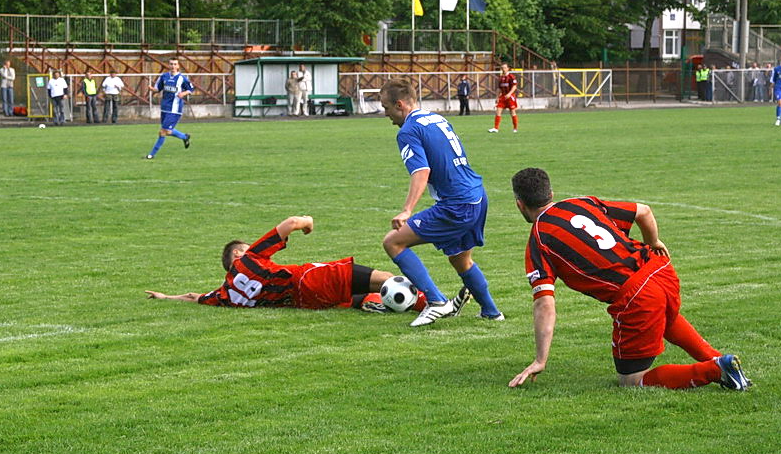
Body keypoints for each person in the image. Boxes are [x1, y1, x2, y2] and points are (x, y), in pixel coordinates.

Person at [507, 167, 752, 391]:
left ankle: (715, 369)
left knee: (632, 380)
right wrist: (653, 242)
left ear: (520, 204)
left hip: (636, 293)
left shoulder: (539, 238)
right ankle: (720, 360)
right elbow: (643, 211)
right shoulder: (582, 202)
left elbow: (544, 303)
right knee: (663, 316)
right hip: (659, 268)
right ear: (551, 193)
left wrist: (540, 360)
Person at [379, 79, 501, 327]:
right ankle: (491, 311)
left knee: (393, 242)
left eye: (386, 108)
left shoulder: (407, 131)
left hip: (457, 204)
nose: (386, 114)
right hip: (477, 195)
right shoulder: (436, 118)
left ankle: (436, 302)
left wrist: (407, 210)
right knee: (460, 259)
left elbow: (421, 171)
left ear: (399, 104)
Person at [144, 215, 424, 313]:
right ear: (238, 257)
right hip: (306, 280)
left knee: (353, 296)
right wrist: (308, 223)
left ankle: (373, 304)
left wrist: (166, 296)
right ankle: (432, 302)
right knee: (385, 277)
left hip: (303, 302)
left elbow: (196, 297)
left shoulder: (226, 293)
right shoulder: (251, 258)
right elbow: (290, 224)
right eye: (243, 248)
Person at [145, 58, 193, 159]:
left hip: (175, 109)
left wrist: (184, 93)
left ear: (178, 66)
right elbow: (158, 88)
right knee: (168, 131)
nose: (173, 66)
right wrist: (152, 89)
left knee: (162, 131)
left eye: (175, 64)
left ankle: (151, 154)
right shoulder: (164, 76)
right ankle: (185, 137)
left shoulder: (182, 78)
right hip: (164, 107)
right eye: (171, 64)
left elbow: (191, 89)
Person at [488, 62, 518, 133]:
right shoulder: (501, 78)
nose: (503, 69)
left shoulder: (511, 77)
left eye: (505, 68)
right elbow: (499, 88)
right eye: (502, 68)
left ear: (508, 68)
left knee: (512, 112)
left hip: (510, 97)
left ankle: (515, 128)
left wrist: (509, 94)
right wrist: (497, 97)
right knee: (498, 111)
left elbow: (514, 86)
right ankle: (496, 128)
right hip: (503, 97)